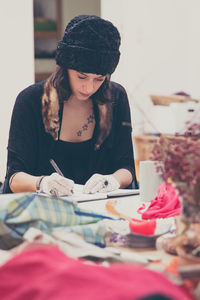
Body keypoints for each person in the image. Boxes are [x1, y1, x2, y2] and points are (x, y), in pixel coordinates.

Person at [2, 14, 138, 196]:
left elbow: (127, 167)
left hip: (102, 211)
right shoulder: (30, 101)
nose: (89, 87)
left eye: (99, 79)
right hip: (41, 213)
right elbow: (14, 177)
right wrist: (42, 183)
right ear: (65, 67)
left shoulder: (116, 98)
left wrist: (112, 180)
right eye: (81, 77)